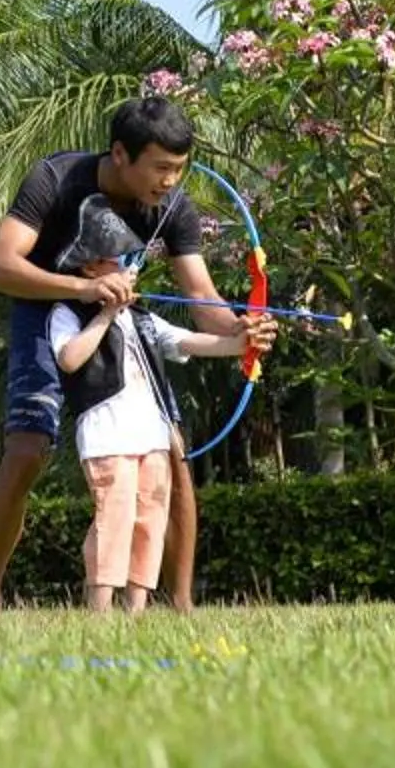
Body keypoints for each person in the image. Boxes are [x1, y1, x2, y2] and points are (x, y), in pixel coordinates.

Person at [0, 95, 257, 613]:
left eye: (180, 169)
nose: (170, 181)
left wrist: (243, 326)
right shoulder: (56, 178)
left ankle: (182, 603)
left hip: (120, 313)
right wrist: (78, 291)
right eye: (161, 168)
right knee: (28, 449)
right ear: (121, 154)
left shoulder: (173, 207)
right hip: (46, 305)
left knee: (169, 450)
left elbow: (201, 299)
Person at [46, 207, 273, 612]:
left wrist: (244, 340)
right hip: (107, 434)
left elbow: (190, 342)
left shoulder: (143, 317)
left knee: (149, 519)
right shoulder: (67, 313)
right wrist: (106, 313)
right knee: (113, 517)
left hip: (150, 435)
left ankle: (136, 609)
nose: (126, 267)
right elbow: (70, 359)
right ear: (90, 268)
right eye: (117, 260)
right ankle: (99, 611)